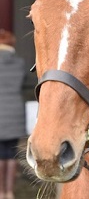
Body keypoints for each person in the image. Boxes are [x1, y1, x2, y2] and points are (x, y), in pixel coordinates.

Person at [0, 30, 26, 199]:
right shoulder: (20, 63)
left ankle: (1, 192)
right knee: (11, 153)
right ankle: (9, 192)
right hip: (15, 113)